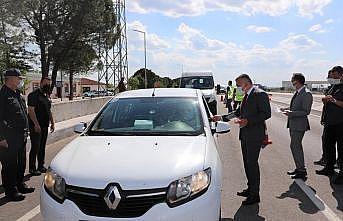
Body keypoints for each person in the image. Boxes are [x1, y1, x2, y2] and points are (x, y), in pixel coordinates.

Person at [233, 74, 271, 205]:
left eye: (238, 84)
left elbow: (267, 113)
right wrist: (221, 117)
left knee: (252, 164)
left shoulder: (259, 94)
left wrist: (248, 121)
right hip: (245, 135)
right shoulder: (246, 95)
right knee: (247, 163)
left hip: (254, 135)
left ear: (245, 82)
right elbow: (238, 112)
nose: (237, 87)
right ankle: (250, 189)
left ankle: (255, 195)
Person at [0, 68, 35, 201]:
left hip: (21, 135)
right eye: (19, 78)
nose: (21, 80)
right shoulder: (3, 95)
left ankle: (20, 184)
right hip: (8, 138)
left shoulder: (17, 94)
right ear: (10, 78)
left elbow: (22, 114)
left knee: (21, 162)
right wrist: (1, 138)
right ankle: (11, 190)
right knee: (9, 165)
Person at [281, 73, 313, 180]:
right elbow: (295, 107)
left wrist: (291, 113)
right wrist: (286, 109)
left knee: (295, 146)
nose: (292, 82)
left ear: (297, 81)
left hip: (299, 125)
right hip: (293, 124)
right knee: (295, 146)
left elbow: (306, 111)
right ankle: (299, 168)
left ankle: (302, 170)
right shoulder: (298, 92)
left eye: (292, 80)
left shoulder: (306, 94)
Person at [316, 66, 343, 184]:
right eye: (331, 75)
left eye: (334, 75)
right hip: (329, 122)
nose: (332, 78)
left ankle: (342, 174)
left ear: (341, 75)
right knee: (328, 146)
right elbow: (326, 98)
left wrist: (333, 100)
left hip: (340, 123)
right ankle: (329, 168)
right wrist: (325, 99)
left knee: (341, 149)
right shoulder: (333, 87)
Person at [28, 77, 55, 176]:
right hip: (36, 126)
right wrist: (36, 124)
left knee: (42, 146)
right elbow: (31, 110)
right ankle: (32, 168)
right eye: (45, 83)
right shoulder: (33, 95)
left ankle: (41, 165)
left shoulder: (46, 96)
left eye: (49, 84)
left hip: (44, 125)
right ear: (41, 83)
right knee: (35, 146)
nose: (47, 85)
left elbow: (49, 110)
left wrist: (52, 122)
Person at [314, 70, 335, 166]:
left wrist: (330, 99)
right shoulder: (331, 88)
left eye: (332, 76)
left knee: (331, 143)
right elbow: (326, 104)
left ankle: (331, 161)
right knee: (326, 141)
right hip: (328, 119)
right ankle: (325, 158)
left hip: (336, 121)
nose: (330, 78)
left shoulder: (338, 88)